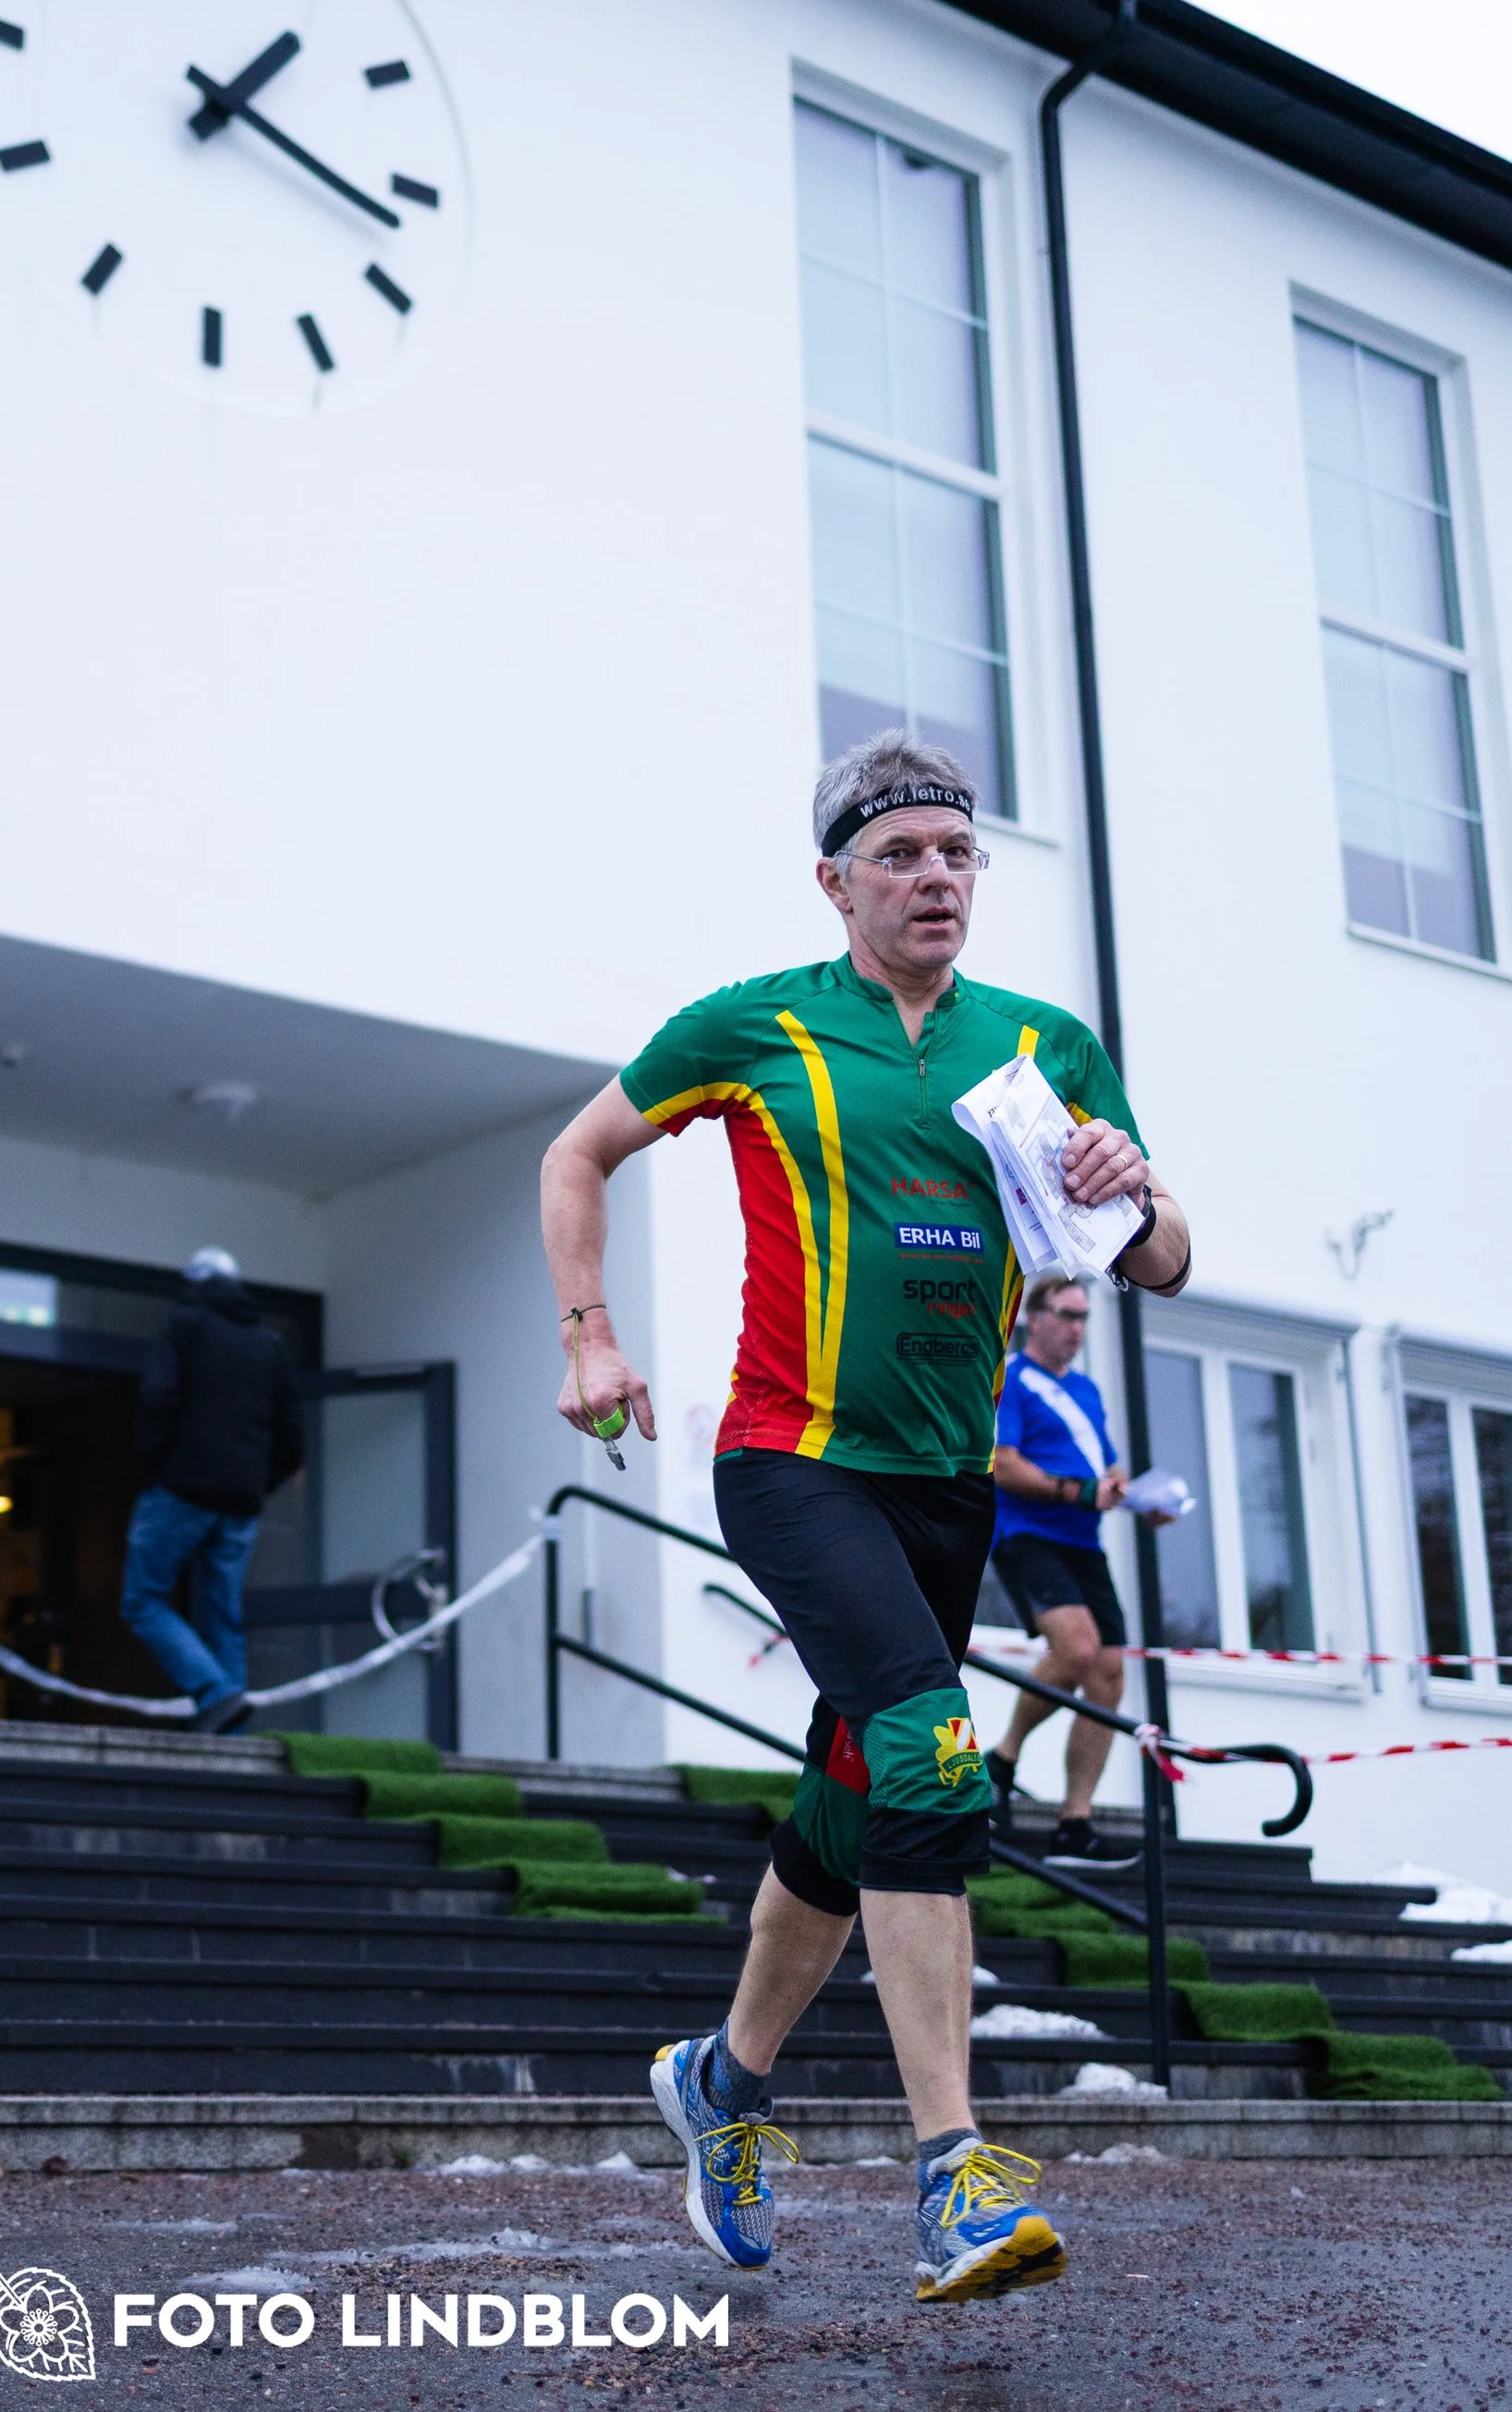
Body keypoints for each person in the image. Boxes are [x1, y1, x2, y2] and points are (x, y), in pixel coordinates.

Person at [540, 728, 1190, 2306]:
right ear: (836, 879)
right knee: (926, 1750)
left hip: (941, 1487)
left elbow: (1161, 1259)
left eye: (957, 855)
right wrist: (591, 1334)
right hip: (791, 1459)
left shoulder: (1043, 1048)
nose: (936, 879)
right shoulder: (756, 1026)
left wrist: (1140, 1192)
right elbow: (579, 1150)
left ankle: (724, 2085)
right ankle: (956, 2175)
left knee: (855, 1803)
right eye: (900, 855)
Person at [119, 1249, 305, 1736]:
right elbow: (293, 1437)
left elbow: (157, 1398)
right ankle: (232, 1741)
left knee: (144, 1599)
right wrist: (255, 1484)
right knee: (222, 1615)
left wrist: (161, 1465)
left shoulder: (185, 1326)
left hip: (182, 1489)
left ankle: (215, 1692)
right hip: (240, 1503)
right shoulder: (268, 1344)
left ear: (194, 1284)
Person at [984, 1278, 1137, 1861]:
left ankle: (1075, 1822)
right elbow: (1002, 1463)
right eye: (1067, 1315)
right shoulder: (1013, 1380)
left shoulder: (1088, 1392)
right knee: (1076, 1650)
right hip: (1027, 1535)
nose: (1077, 1328)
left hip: (1083, 1543)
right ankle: (1003, 1757)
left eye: (1084, 1318)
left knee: (1108, 1672)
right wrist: (1078, 1493)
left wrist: (1139, 1498)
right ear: (1036, 1317)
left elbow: (1107, 1464)